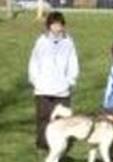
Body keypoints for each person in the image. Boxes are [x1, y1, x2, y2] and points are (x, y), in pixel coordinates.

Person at [28, 11, 79, 151]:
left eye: (59, 25)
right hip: (43, 88)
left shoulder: (68, 42)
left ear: (63, 26)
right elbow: (34, 62)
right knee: (43, 118)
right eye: (53, 25)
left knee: (62, 120)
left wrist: (70, 80)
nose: (56, 28)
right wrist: (36, 81)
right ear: (48, 26)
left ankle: (60, 146)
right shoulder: (41, 42)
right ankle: (42, 145)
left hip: (62, 90)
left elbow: (73, 62)